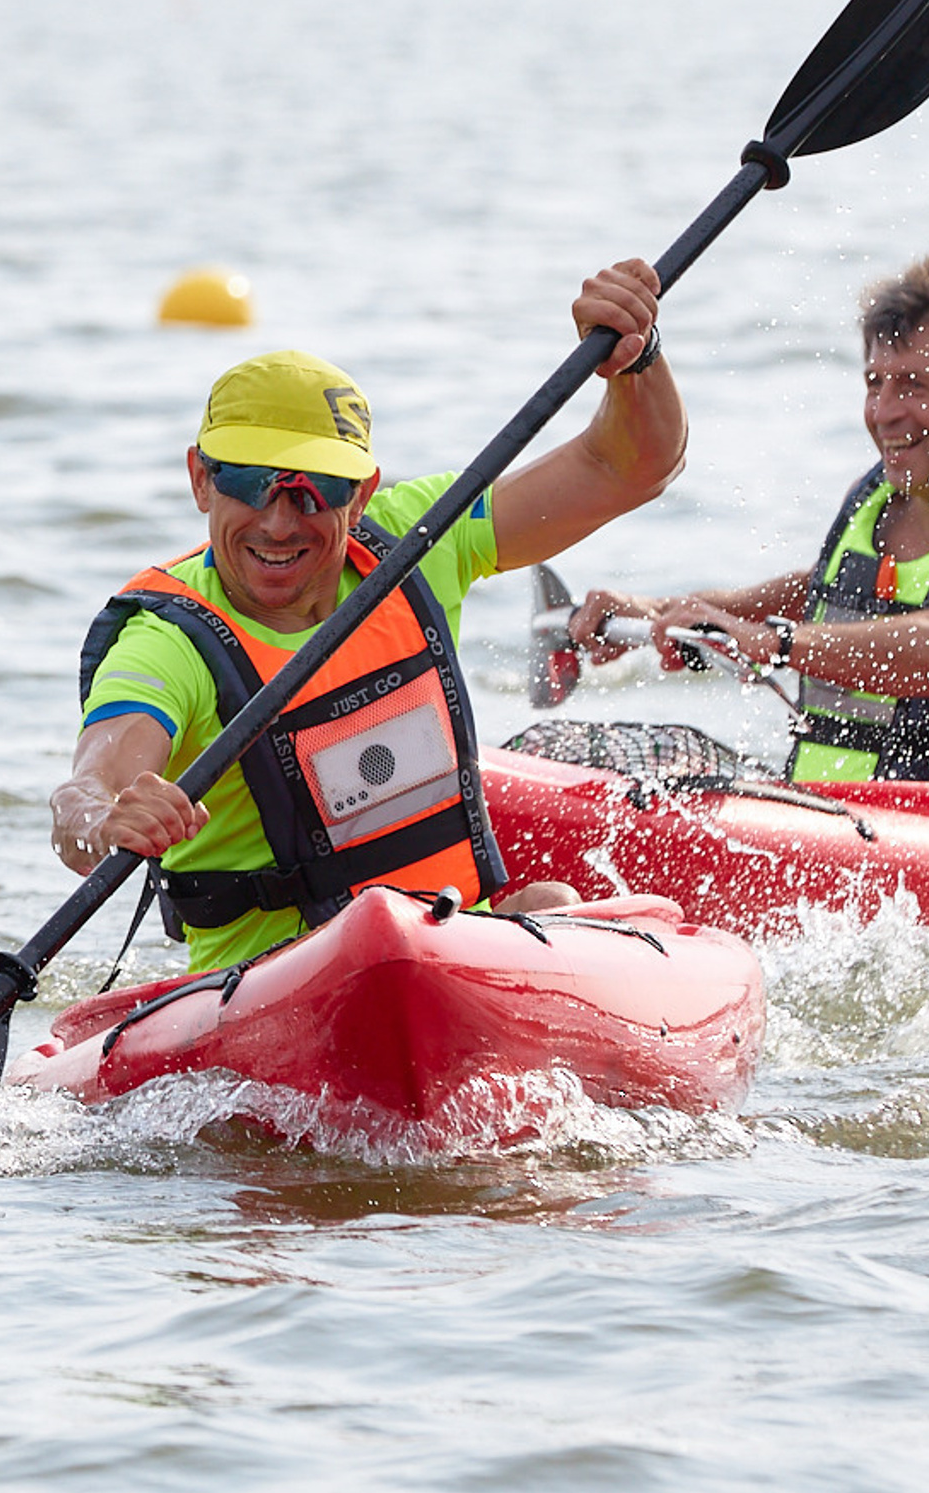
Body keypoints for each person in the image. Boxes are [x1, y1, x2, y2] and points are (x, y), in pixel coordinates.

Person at [50, 261, 684, 973]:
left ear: (361, 493)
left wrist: (636, 361)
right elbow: (86, 791)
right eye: (250, 483)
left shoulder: (417, 543)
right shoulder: (167, 643)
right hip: (271, 981)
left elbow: (629, 468)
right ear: (201, 479)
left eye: (315, 490)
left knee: (550, 902)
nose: (279, 523)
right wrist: (105, 819)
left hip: (449, 953)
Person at [573, 254, 929, 803]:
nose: (883, 413)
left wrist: (774, 644)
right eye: (875, 384)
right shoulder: (888, 503)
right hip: (853, 819)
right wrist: (671, 613)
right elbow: (829, 594)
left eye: (913, 386)